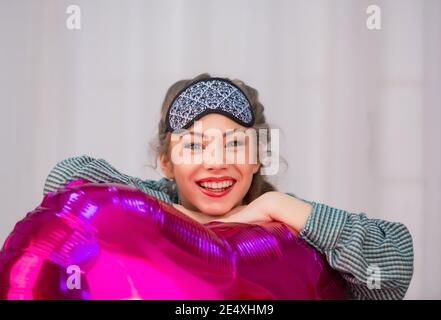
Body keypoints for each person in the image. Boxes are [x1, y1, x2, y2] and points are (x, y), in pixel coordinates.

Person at [43, 73, 413, 299]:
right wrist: (185, 222)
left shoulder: (289, 224)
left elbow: (392, 270)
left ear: (257, 157)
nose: (217, 161)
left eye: (235, 143)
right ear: (167, 163)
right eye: (194, 145)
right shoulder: (148, 202)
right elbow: (66, 177)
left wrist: (277, 206)